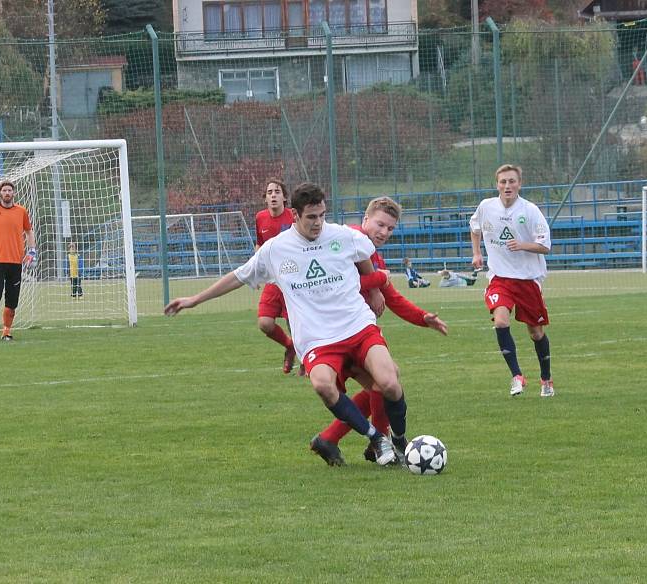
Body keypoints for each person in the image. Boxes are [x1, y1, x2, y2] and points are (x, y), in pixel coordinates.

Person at [165, 183, 408, 466]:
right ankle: (376, 438)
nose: (318, 223)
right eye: (311, 217)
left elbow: (364, 256)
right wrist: (195, 299)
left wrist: (376, 289)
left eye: (322, 215)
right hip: (318, 338)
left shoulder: (343, 236)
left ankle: (400, 442)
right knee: (322, 385)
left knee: (389, 381)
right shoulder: (276, 250)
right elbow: (238, 276)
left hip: (357, 325)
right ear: (295, 214)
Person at [310, 197, 448, 466]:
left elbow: (391, 297)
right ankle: (383, 442)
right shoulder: (346, 241)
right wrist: (379, 279)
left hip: (357, 332)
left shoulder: (372, 253)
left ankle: (334, 439)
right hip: (336, 335)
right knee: (385, 382)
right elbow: (339, 280)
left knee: (384, 382)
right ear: (365, 220)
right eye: (380, 224)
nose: (384, 232)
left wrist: (423, 318)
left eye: (391, 228)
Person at [470, 164, 554, 397]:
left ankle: (546, 379)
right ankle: (516, 376)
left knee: (536, 333)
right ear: (497, 184)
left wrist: (522, 245)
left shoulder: (529, 210)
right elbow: (474, 227)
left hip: (527, 280)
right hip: (500, 278)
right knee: (500, 321)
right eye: (503, 182)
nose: (507, 186)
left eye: (512, 181)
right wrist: (477, 253)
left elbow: (545, 246)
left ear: (519, 184)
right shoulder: (486, 207)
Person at [0, 180, 37, 342]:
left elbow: (29, 232)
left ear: (14, 193)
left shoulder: (21, 211)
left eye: (10, 190)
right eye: (4, 190)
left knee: (12, 299)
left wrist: (32, 251)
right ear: (0, 193)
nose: (7, 193)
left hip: (16, 263)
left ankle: (6, 332)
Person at [254, 179, 297, 373]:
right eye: (269, 192)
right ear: (265, 198)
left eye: (277, 191)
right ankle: (290, 346)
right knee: (265, 322)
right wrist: (255, 272)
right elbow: (259, 246)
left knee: (295, 322)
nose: (273, 195)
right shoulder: (260, 218)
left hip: (294, 279)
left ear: (285, 197)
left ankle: (308, 361)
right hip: (273, 279)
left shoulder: (294, 217)